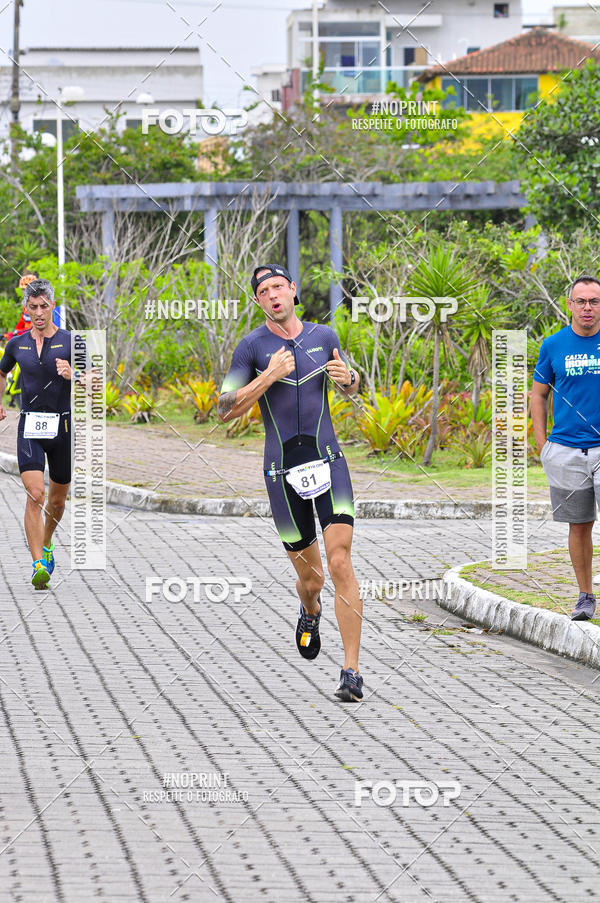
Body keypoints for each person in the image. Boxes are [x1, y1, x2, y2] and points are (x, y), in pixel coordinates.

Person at [218, 264, 364, 701]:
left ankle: (351, 671)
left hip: (329, 461)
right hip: (282, 473)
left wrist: (352, 381)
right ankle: (309, 608)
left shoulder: (324, 337)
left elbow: (353, 385)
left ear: (293, 291)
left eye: (279, 286)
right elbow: (224, 409)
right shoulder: (251, 347)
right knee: (313, 578)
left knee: (340, 562)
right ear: (259, 301)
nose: (273, 295)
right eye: (264, 291)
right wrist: (267, 377)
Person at [531, 274, 600, 620]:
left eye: (594, 301)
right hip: (567, 452)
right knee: (579, 526)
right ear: (570, 304)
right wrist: (543, 444)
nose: (588, 308)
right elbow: (538, 394)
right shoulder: (553, 346)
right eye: (581, 301)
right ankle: (585, 596)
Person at [0, 279, 76, 589]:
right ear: (26, 308)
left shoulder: (73, 342)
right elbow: (1, 371)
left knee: (56, 504)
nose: (39, 312)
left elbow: (98, 380)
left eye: (44, 306)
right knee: (36, 495)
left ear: (52, 307)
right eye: (33, 307)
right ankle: (37, 565)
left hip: (63, 428)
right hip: (29, 427)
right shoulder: (16, 344)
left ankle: (47, 543)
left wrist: (76, 375)